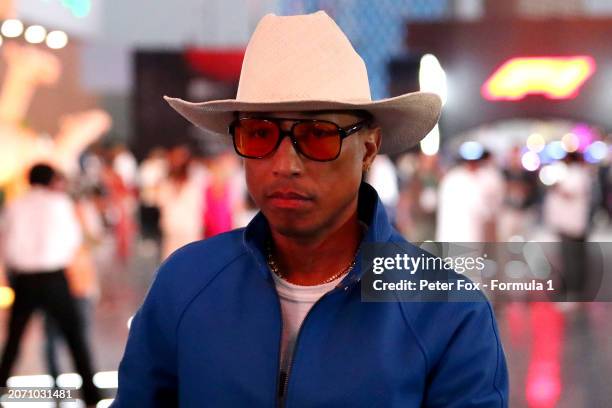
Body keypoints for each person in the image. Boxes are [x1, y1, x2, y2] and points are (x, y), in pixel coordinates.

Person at [113, 11, 508, 407]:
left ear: (368, 148)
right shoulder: (185, 284)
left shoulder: (448, 313)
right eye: (260, 133)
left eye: (319, 135)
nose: (286, 164)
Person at [0, 163, 100, 407]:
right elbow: (73, 241)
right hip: (55, 278)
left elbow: (6, 243)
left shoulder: (15, 205)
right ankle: (90, 395)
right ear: (50, 180)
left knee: (13, 341)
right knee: (75, 338)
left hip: (24, 279)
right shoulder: (60, 203)